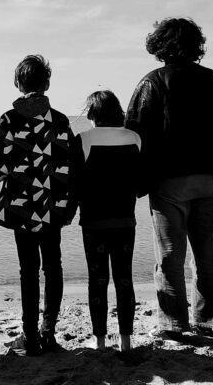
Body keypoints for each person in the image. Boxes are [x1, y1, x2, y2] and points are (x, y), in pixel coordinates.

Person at [125, 18, 213, 339]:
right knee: (206, 255)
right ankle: (210, 321)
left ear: (160, 45)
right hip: (212, 180)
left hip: (170, 182)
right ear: (195, 45)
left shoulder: (152, 82)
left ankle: (174, 324)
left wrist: (139, 183)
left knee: (170, 257)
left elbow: (136, 134)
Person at [0, 55, 74, 356]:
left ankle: (31, 337)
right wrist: (70, 204)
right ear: (46, 83)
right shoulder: (59, 120)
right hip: (52, 206)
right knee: (53, 266)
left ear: (18, 83)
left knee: (28, 270)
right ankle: (49, 333)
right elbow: (69, 165)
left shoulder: (10, 120)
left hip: (23, 210)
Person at [69, 90, 142, 351]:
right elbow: (140, 184)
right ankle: (125, 342)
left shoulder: (83, 140)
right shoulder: (134, 138)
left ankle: (99, 341)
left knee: (97, 280)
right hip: (125, 220)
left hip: (94, 223)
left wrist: (67, 213)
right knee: (124, 279)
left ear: (92, 114)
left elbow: (74, 186)